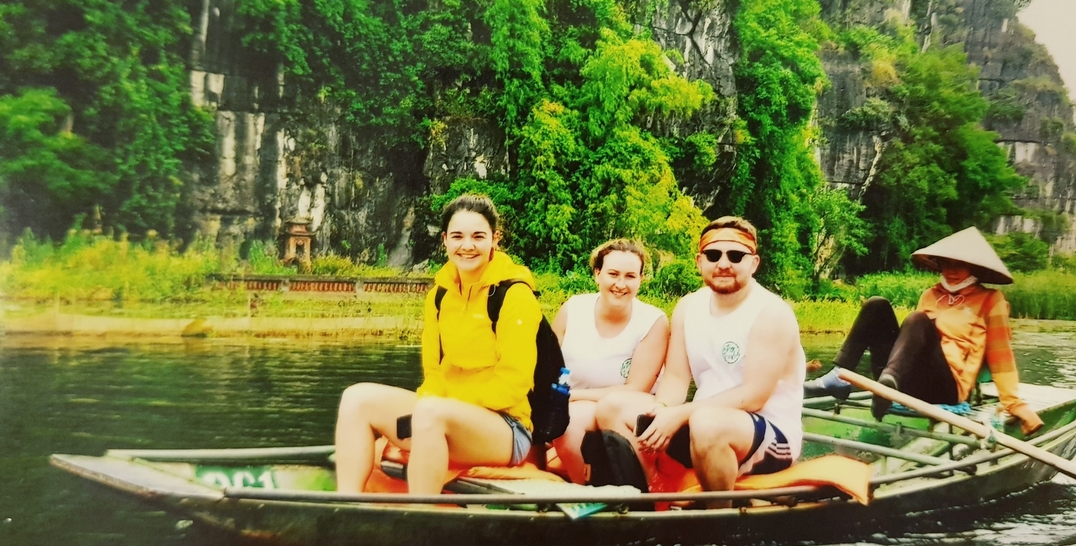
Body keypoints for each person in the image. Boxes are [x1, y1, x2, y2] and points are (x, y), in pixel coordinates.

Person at [333, 194, 543, 494]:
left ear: (495, 239)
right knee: (357, 398)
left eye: (478, 236)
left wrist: (440, 408)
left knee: (431, 412)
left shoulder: (514, 295)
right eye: (457, 236)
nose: (466, 246)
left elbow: (515, 383)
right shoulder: (440, 296)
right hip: (442, 415)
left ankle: (419, 516)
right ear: (444, 239)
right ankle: (347, 505)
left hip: (505, 428)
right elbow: (433, 373)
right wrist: (425, 412)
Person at [593, 217, 805, 499]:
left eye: (736, 256)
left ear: (753, 263)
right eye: (714, 255)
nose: (724, 264)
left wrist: (680, 414)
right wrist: (663, 407)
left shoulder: (770, 313)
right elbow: (677, 377)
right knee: (613, 407)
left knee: (707, 422)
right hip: (701, 423)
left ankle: (717, 521)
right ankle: (651, 498)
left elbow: (754, 397)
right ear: (699, 261)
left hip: (768, 435)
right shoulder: (688, 306)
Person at [805, 226, 1044, 434]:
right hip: (905, 379)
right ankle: (839, 377)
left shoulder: (991, 300)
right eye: (946, 263)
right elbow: (911, 343)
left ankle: (887, 385)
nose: (951, 269)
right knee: (876, 305)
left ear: (974, 268)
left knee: (917, 319)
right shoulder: (930, 295)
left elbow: (1001, 356)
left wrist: (1013, 403)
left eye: (959, 264)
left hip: (946, 387)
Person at [550, 239, 669, 483]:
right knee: (564, 425)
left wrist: (571, 396)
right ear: (597, 274)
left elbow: (636, 388)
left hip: (627, 406)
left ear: (641, 279)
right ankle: (582, 490)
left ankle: (650, 484)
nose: (620, 284)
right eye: (613, 274)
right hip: (578, 403)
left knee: (604, 407)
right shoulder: (573, 309)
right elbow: (547, 366)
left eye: (630, 276)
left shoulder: (653, 321)